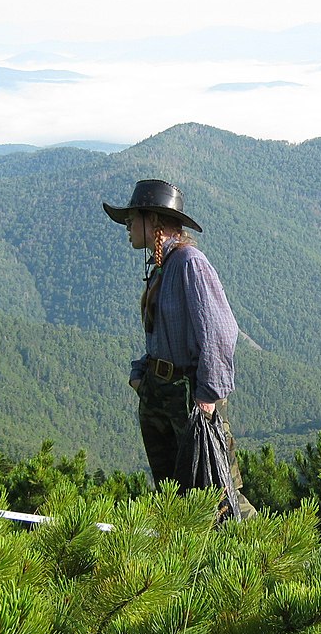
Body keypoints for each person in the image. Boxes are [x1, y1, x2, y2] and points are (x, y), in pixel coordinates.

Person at [105, 179, 255, 520]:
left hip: (190, 397)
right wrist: (141, 375)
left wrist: (207, 397)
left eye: (132, 218)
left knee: (216, 494)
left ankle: (259, 557)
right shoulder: (163, 267)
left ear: (154, 221)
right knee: (176, 499)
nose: (127, 225)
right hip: (161, 393)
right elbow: (162, 335)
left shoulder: (190, 263)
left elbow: (220, 331)